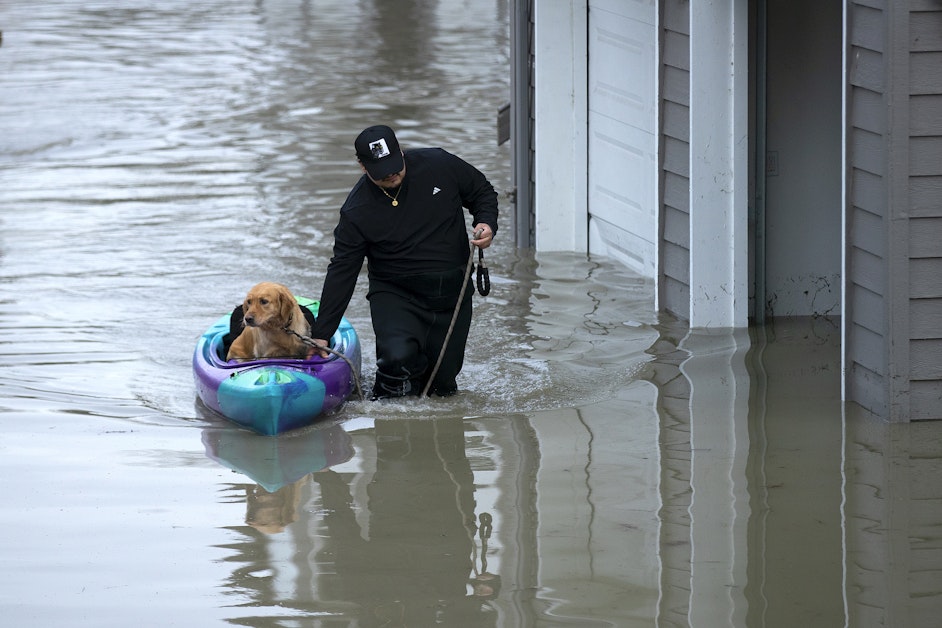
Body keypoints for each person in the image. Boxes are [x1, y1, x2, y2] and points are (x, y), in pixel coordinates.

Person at [309, 125, 498, 399]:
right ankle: (388, 422)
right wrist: (322, 332)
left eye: (394, 165)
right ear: (363, 166)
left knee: (443, 384)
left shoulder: (439, 164)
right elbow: (342, 270)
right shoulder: (356, 211)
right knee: (397, 362)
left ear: (400, 151)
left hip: (452, 292)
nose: (390, 174)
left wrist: (486, 223)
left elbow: (482, 191)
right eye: (381, 171)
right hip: (396, 294)